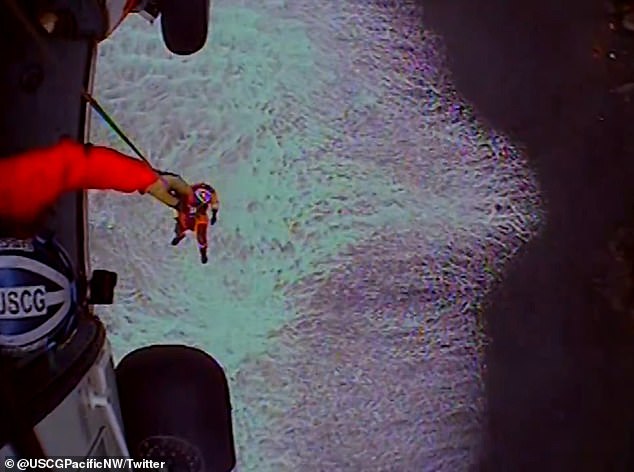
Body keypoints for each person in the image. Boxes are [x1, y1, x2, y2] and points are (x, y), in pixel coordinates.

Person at [169, 180, 219, 264]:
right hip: (185, 213)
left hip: (200, 216)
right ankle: (179, 236)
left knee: (201, 236)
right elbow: (175, 205)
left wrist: (214, 214)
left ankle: (203, 253)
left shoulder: (210, 193)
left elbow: (214, 202)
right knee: (180, 228)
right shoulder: (184, 193)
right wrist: (177, 218)